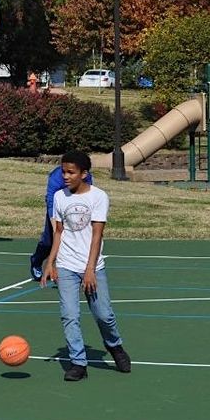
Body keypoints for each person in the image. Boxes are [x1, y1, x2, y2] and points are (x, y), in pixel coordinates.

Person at [40, 151, 131, 382]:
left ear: (84, 174)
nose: (65, 176)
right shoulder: (60, 197)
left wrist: (90, 270)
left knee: (104, 315)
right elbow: (58, 232)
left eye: (71, 172)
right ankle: (78, 363)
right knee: (70, 315)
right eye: (63, 172)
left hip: (92, 266)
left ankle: (115, 346)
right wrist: (50, 263)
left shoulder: (98, 197)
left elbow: (97, 236)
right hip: (67, 265)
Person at [29, 165, 92, 281]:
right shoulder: (56, 176)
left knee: (75, 239)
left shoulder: (86, 176)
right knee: (49, 242)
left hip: (75, 208)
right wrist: (55, 229)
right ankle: (36, 261)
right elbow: (51, 201)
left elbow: (87, 196)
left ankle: (70, 272)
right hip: (56, 207)